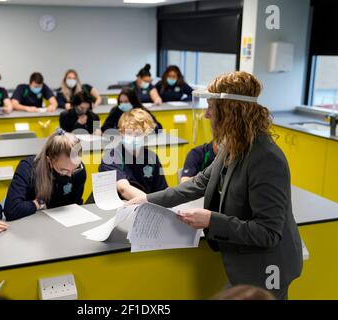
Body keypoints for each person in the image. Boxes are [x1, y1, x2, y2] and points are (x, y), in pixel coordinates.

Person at [128, 71, 303, 300]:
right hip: (247, 266)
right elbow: (200, 182)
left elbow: (268, 233)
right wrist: (147, 200)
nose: (207, 115)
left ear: (231, 111)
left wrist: (211, 220)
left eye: (211, 107)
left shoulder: (266, 158)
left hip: (268, 268)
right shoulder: (234, 145)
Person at [4, 129, 86, 221]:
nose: (70, 175)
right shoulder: (28, 168)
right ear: (49, 161)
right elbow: (12, 209)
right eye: (63, 170)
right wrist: (40, 202)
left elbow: (75, 204)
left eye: (74, 168)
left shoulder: (79, 170)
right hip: (32, 223)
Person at [99, 108, 167, 200]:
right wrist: (151, 202)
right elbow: (123, 189)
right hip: (118, 208)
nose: (133, 138)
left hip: (145, 208)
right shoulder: (111, 158)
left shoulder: (152, 157)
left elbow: (161, 190)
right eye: (129, 133)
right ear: (121, 133)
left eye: (138, 134)